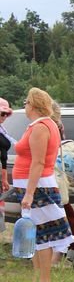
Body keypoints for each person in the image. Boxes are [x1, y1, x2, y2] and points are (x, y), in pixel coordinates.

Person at [13, 88, 74, 282]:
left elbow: (38, 162)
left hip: (38, 187)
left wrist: (30, 193)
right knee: (37, 236)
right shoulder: (42, 125)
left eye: (26, 102)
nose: (24, 105)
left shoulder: (41, 127)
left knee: (42, 237)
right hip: (35, 185)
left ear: (33, 104)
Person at [49, 101, 74, 263]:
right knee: (65, 219)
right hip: (56, 178)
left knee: (61, 219)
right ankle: (64, 253)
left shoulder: (46, 125)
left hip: (52, 176)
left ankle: (57, 255)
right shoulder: (54, 126)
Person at [0, 97, 16, 233]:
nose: (4, 117)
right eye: (1, 113)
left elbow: (3, 158)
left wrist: (4, 177)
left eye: (6, 114)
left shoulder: (2, 130)